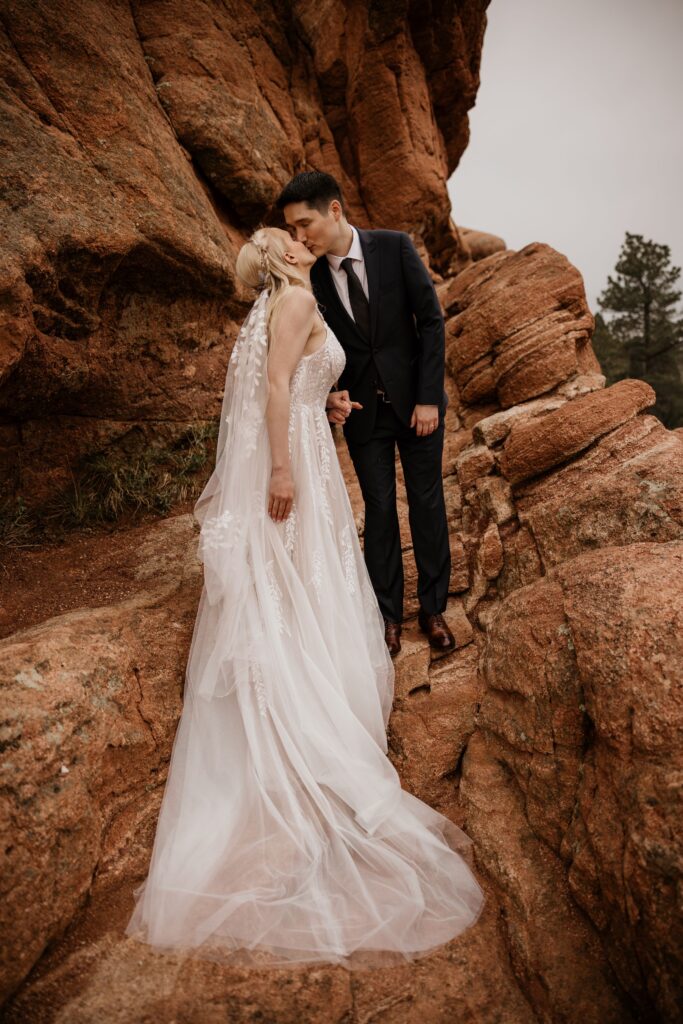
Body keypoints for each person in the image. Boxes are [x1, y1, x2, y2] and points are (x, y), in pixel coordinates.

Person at [124, 226, 484, 969]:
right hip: (299, 473)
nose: (294, 237)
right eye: (282, 236)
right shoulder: (291, 301)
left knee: (305, 583)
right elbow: (276, 388)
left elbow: (296, 388)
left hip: (311, 451)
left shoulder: (288, 300)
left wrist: (330, 408)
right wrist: (282, 472)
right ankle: (316, 725)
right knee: (303, 585)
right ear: (280, 259)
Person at [277, 171, 455, 658]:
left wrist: (426, 397)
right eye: (292, 229)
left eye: (304, 223)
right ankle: (388, 616)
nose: (300, 236)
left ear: (334, 210)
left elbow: (432, 321)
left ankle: (434, 609)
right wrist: (327, 395)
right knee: (378, 511)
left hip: (416, 405)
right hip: (360, 415)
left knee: (426, 502)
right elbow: (312, 351)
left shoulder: (394, 248)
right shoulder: (308, 279)